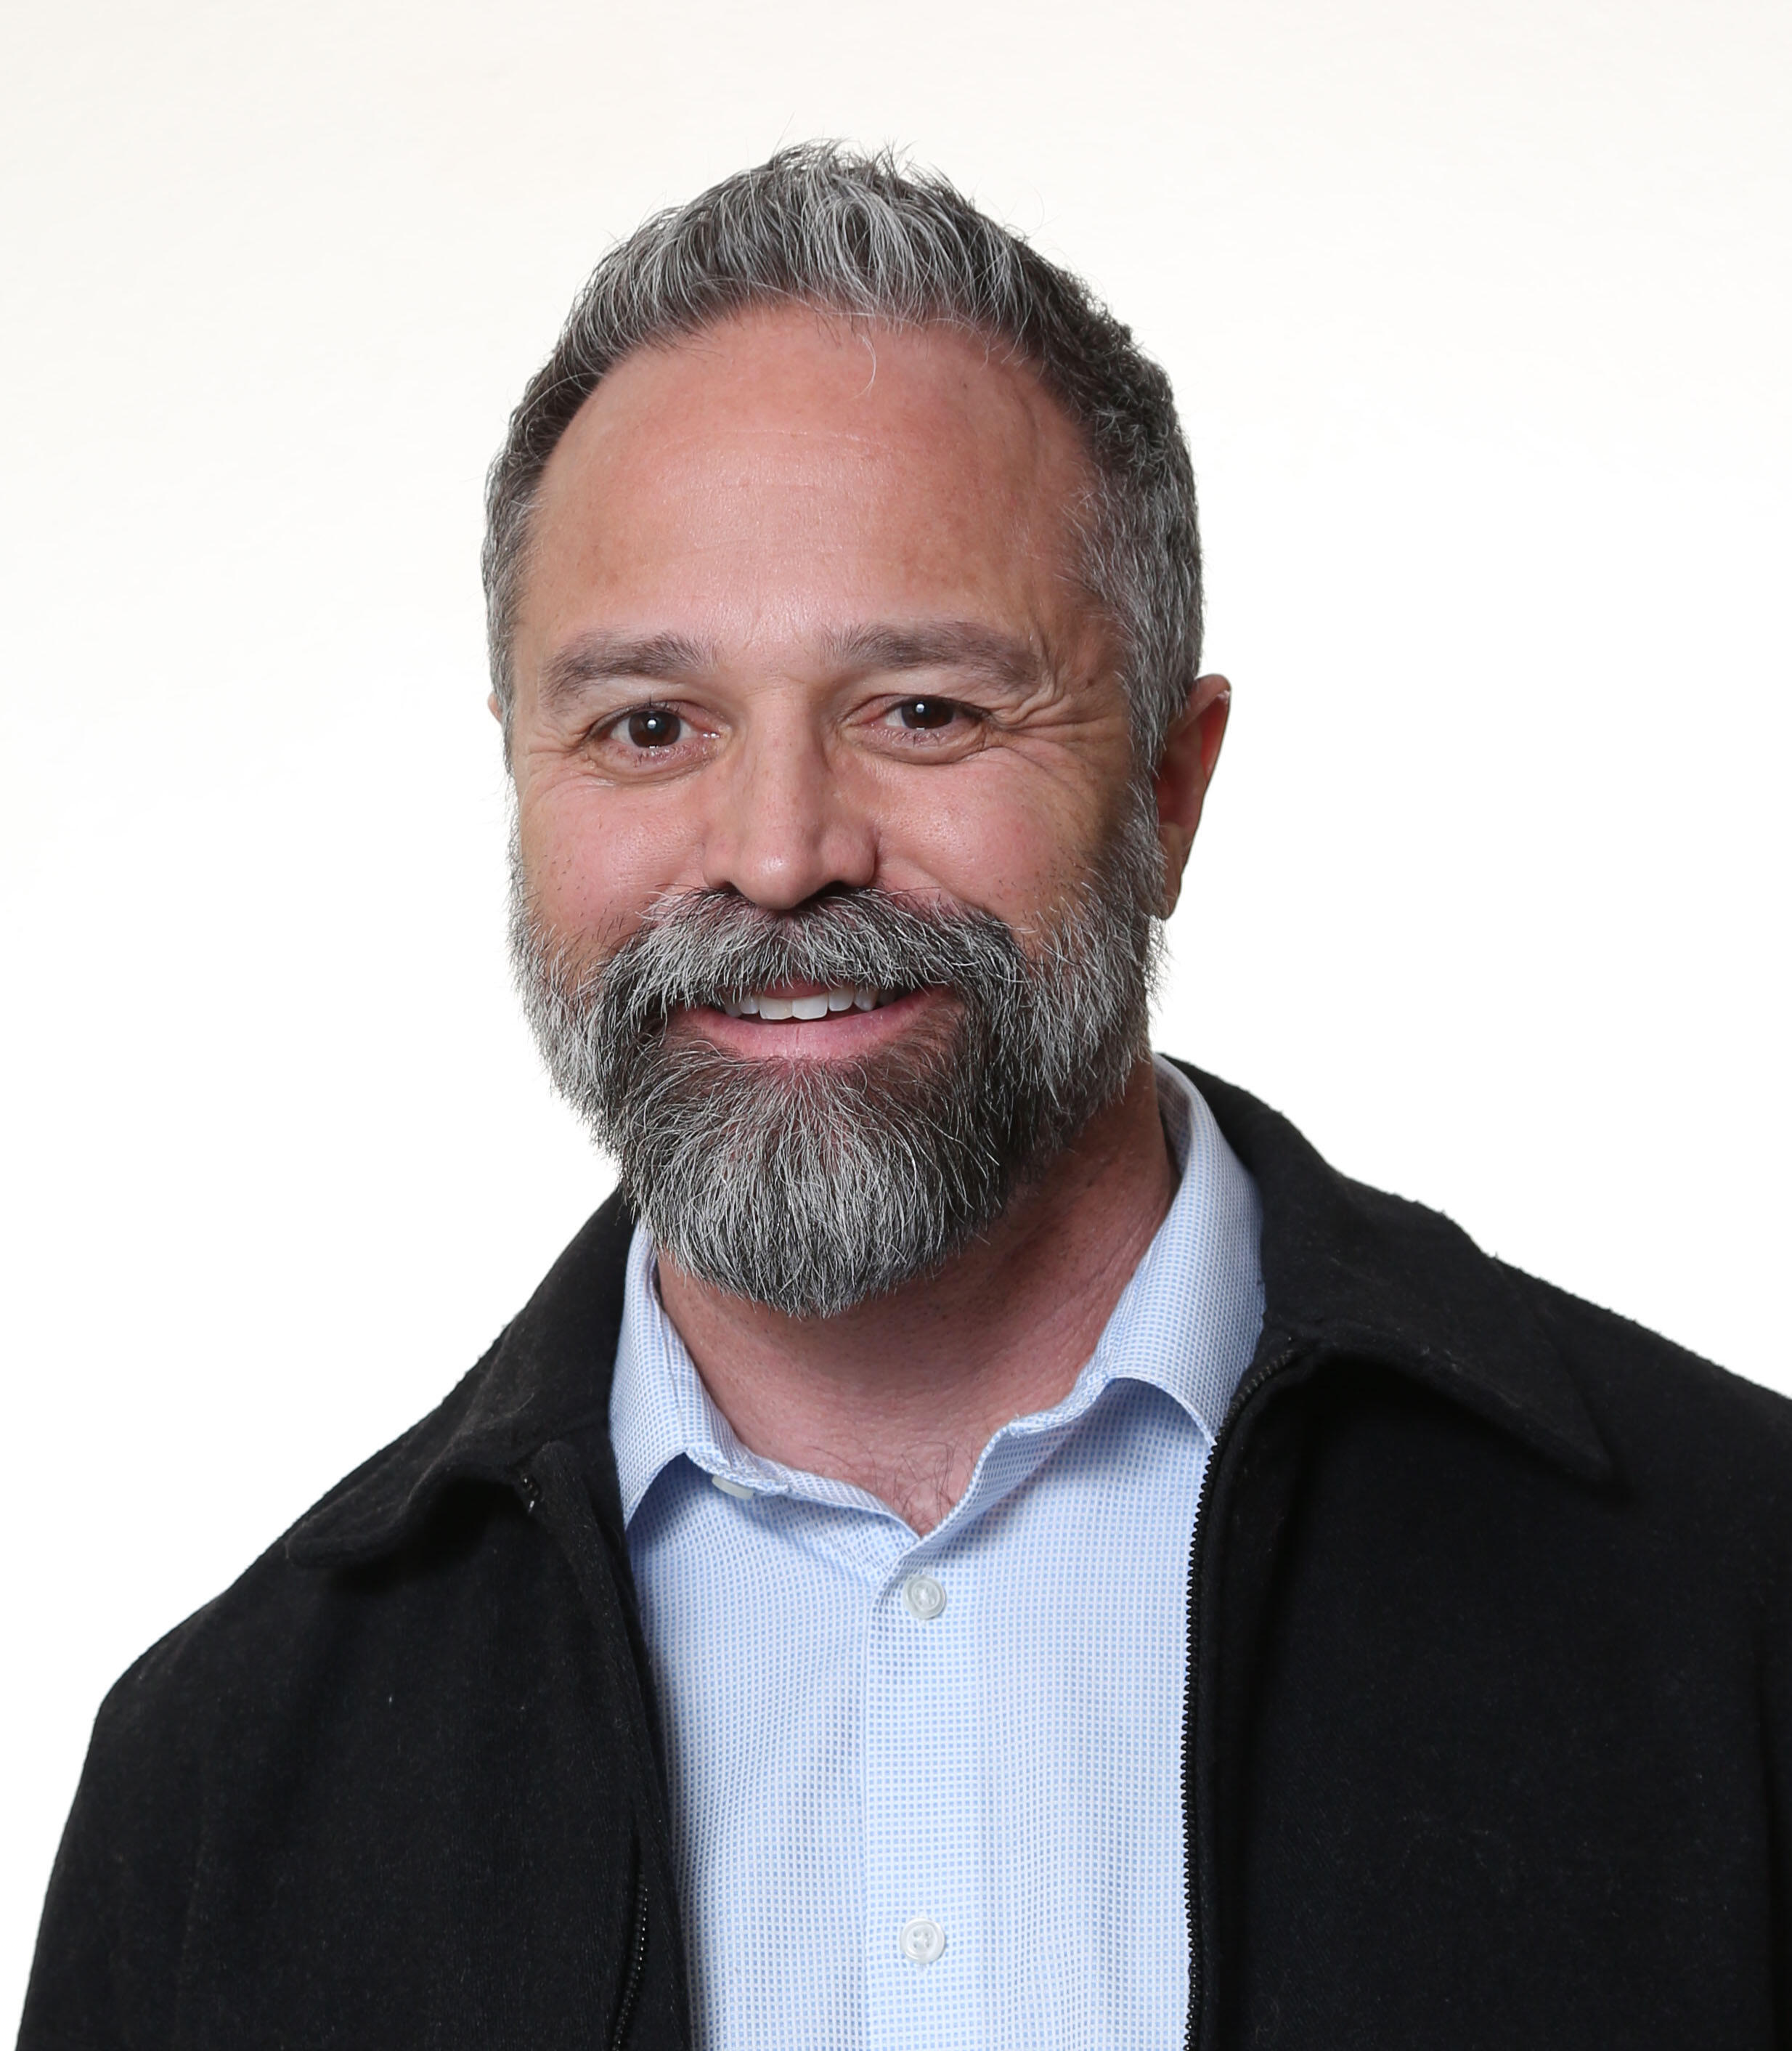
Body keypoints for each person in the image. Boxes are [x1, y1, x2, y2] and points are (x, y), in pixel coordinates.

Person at [20, 145, 1792, 2051]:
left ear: (1170, 788)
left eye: (924, 711)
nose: (780, 855)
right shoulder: (217, 1786)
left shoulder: (1744, 1601)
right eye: (647, 726)